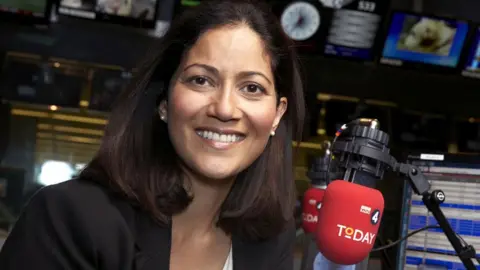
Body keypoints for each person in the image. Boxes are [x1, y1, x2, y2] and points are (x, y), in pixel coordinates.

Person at [0, 0, 305, 269]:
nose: (225, 109)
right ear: (164, 101)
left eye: (251, 88)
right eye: (201, 80)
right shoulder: (70, 218)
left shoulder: (271, 241)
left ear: (277, 114)